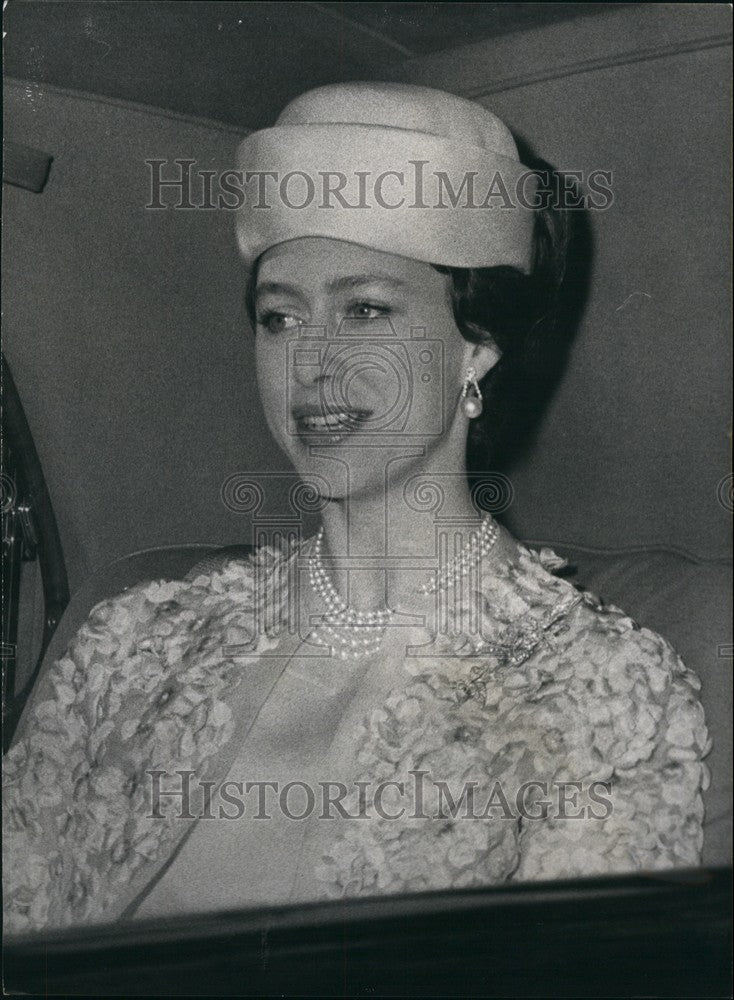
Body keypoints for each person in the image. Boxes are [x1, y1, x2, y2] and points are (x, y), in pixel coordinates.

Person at [2, 82, 710, 933]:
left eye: (366, 309)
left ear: (476, 348)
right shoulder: (128, 642)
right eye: (279, 317)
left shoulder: (596, 691)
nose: (313, 363)